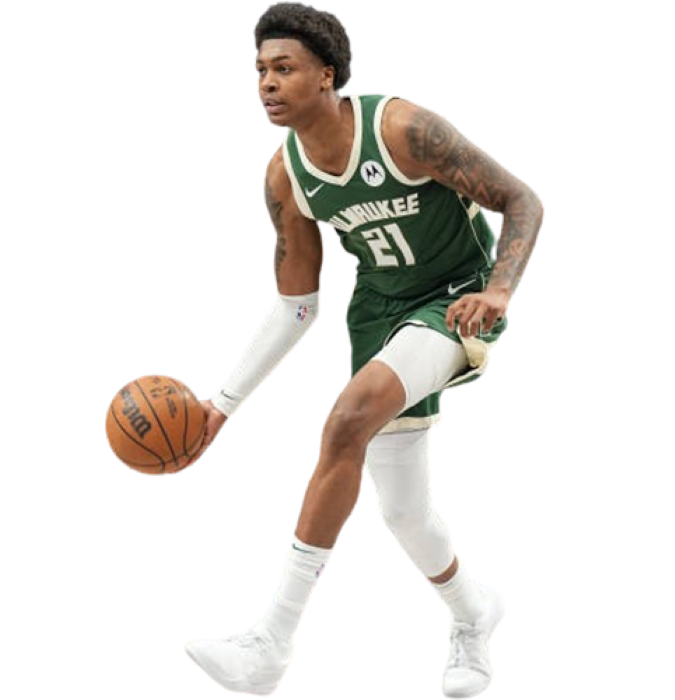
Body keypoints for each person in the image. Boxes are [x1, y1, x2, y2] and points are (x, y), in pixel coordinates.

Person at [183, 2, 544, 698]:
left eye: (284, 68)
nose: (267, 83)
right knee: (402, 508)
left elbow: (522, 200)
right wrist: (222, 405)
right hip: (380, 313)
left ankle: (271, 642)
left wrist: (499, 291)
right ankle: (473, 611)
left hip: (457, 296)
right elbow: (297, 304)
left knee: (346, 420)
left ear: (327, 74)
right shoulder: (284, 177)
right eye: (259, 71)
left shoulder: (404, 129)